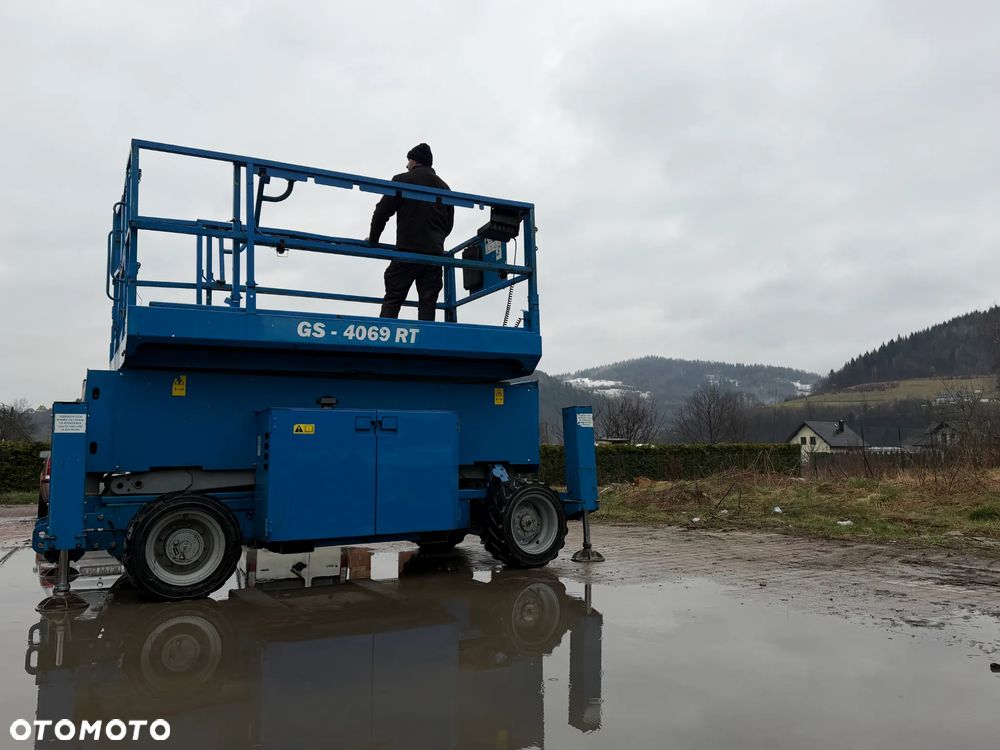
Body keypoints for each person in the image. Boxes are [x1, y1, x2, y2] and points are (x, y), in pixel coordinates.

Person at [366, 143, 454, 321]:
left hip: (408, 251)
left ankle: (384, 340)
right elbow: (449, 225)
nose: (406, 165)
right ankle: (427, 342)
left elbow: (381, 212)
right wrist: (435, 241)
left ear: (414, 161)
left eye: (408, 161)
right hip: (434, 255)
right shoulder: (445, 188)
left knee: (393, 297)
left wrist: (373, 239)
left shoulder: (402, 180)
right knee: (428, 302)